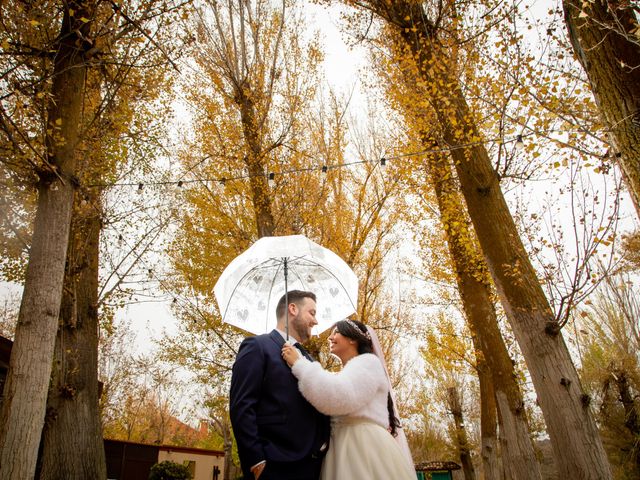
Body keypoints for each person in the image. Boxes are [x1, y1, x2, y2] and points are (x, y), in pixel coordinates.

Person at [281, 319, 416, 480]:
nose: (330, 338)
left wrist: (299, 364)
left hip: (362, 448)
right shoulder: (347, 372)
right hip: (341, 447)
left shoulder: (368, 364)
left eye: (336, 332)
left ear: (352, 339)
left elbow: (337, 397)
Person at [229, 290, 330, 480]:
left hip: (311, 468)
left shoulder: (308, 358)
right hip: (275, 467)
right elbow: (241, 406)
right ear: (293, 309)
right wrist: (256, 461)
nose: (316, 322)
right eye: (312, 313)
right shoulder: (257, 346)